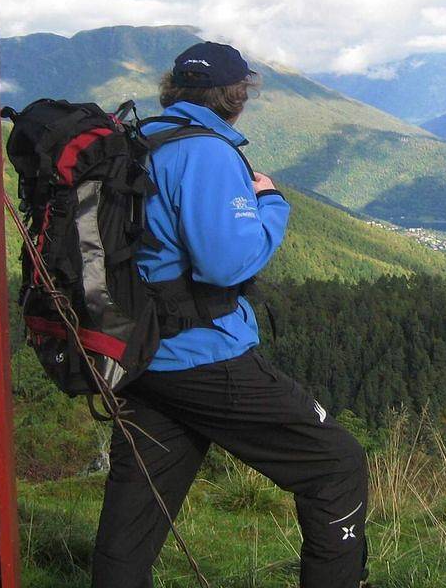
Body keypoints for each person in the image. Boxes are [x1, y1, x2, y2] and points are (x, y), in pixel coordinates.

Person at [91, 42, 369, 588]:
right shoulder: (207, 152)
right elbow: (227, 264)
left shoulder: (143, 139)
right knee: (335, 463)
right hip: (203, 354)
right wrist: (270, 203)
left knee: (137, 512)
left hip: (142, 353)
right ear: (236, 97)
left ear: (174, 89)